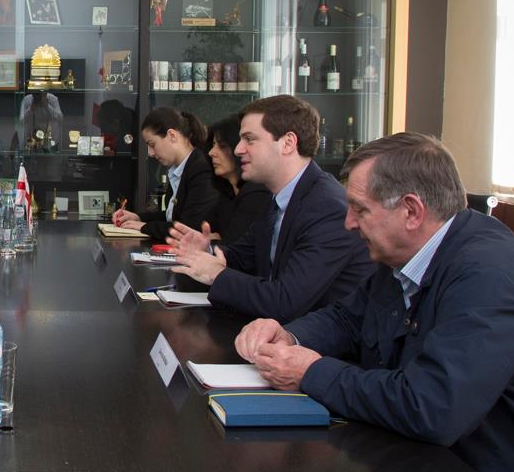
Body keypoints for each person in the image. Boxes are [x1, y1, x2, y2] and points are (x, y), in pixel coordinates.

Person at [234, 132, 514, 472]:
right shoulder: (408, 253)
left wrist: (311, 371)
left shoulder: (488, 276)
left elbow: (431, 407)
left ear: (411, 211)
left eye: (359, 209)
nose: (349, 223)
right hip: (439, 467)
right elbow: (349, 318)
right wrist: (288, 335)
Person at [168, 95, 373, 322]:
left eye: (249, 139)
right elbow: (245, 257)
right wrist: (207, 252)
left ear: (288, 143)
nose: (238, 149)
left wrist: (216, 273)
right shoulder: (277, 196)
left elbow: (285, 302)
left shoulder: (327, 208)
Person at [112, 107, 228, 239]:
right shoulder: (180, 169)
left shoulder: (201, 169)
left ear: (172, 135)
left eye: (152, 144)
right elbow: (172, 216)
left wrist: (144, 226)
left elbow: (188, 228)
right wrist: (138, 218)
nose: (150, 153)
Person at [205, 113, 273, 244]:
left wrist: (213, 243)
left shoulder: (256, 193)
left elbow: (234, 248)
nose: (211, 152)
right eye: (213, 145)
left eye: (222, 146)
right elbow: (205, 232)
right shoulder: (227, 192)